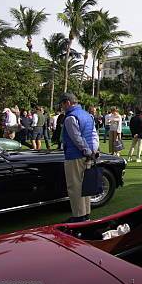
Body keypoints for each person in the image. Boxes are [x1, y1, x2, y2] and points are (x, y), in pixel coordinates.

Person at [59, 92, 99, 223]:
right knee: (84, 185)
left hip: (75, 155)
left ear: (68, 103)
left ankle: (79, 216)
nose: (62, 107)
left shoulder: (71, 117)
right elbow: (94, 135)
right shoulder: (88, 115)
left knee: (75, 186)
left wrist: (87, 151)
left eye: (62, 104)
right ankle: (85, 213)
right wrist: (92, 151)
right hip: (88, 155)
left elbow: (77, 138)